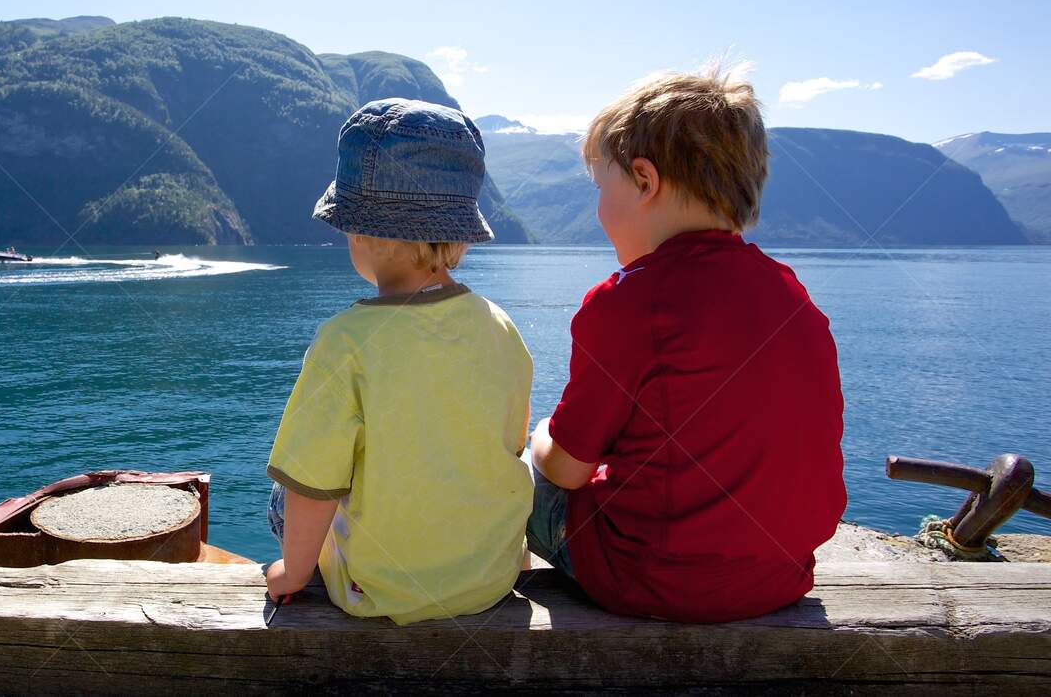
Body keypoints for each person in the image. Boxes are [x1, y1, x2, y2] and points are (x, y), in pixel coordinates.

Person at [527, 64, 846, 622]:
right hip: (780, 574)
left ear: (645, 182)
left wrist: (540, 436)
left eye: (602, 188)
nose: (598, 211)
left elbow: (568, 470)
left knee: (513, 468)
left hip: (654, 579)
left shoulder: (626, 301)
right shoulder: (793, 296)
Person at [263, 98, 534, 624]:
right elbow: (508, 444)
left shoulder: (344, 342)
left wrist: (291, 575)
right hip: (489, 581)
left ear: (362, 233)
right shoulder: (501, 326)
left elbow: (311, 485)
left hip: (378, 591)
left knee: (287, 487)